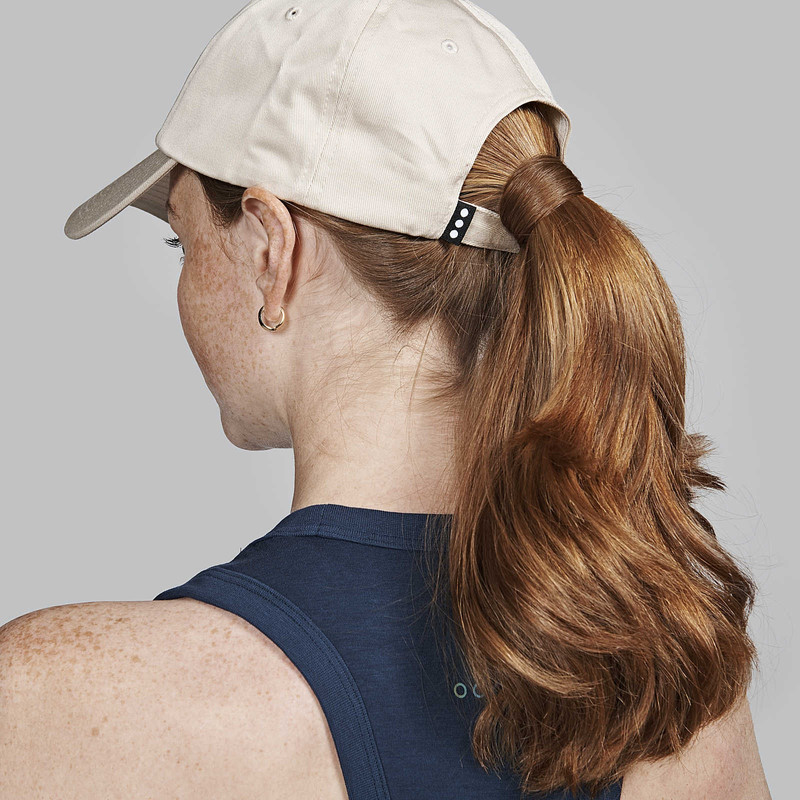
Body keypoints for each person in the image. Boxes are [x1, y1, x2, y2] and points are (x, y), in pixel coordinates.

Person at [1, 1, 771, 798]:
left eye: (182, 240)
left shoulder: (62, 700)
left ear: (271, 250)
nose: (185, 281)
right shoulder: (679, 698)